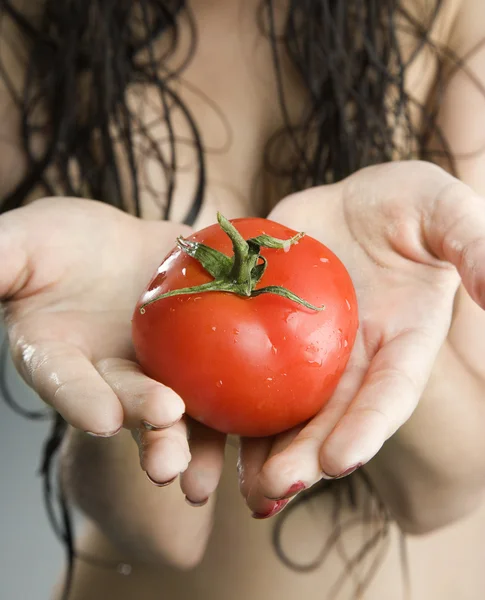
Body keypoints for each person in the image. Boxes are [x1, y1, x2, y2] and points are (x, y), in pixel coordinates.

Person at [1, 1, 485, 598]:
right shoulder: (27, 31)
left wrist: (383, 317)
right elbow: (158, 533)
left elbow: (441, 493)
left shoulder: (454, 15)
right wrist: (151, 333)